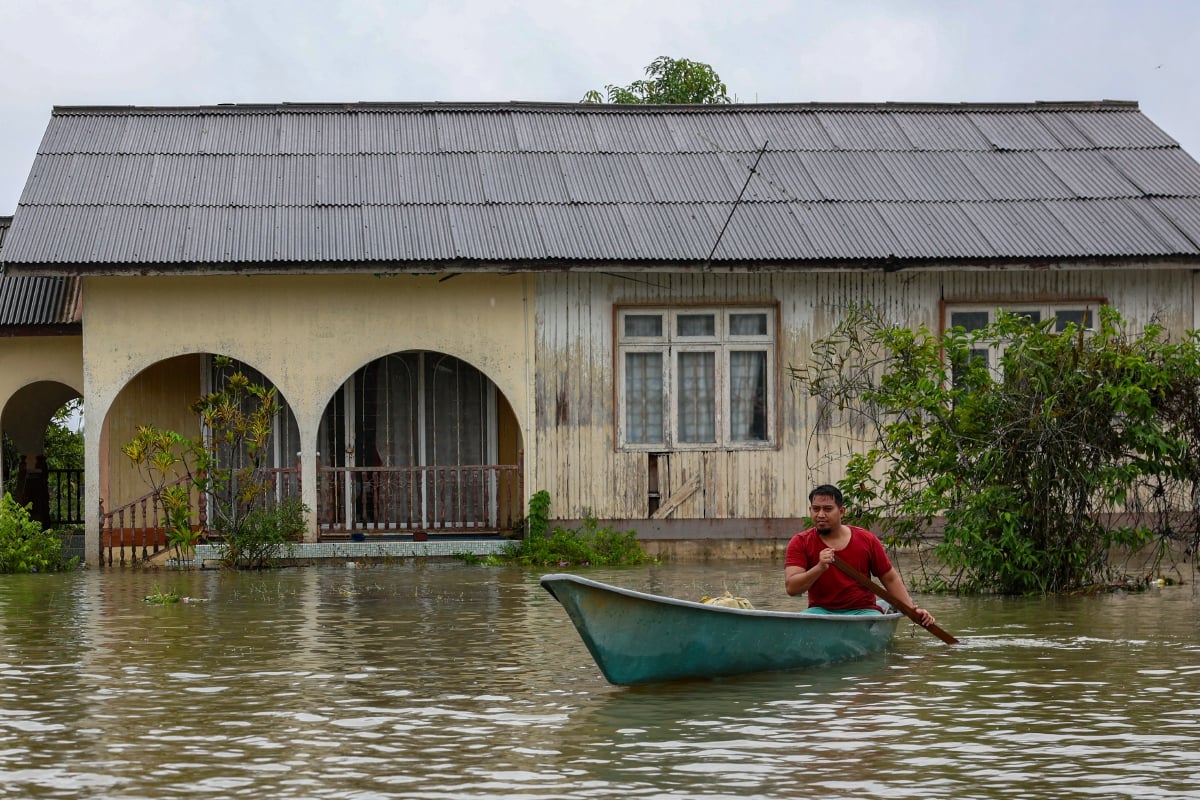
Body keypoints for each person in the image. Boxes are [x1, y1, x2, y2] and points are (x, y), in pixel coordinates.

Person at [785, 484, 935, 626]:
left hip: (863, 612)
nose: (821, 514)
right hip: (821, 612)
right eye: (816, 509)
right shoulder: (800, 542)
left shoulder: (867, 540)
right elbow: (792, 588)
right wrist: (819, 568)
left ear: (842, 511)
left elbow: (890, 578)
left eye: (828, 509)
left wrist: (912, 611)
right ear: (810, 510)